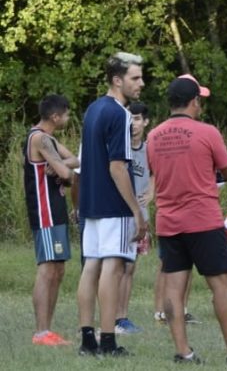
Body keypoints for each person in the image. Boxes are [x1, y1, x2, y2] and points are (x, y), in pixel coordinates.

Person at [149, 74, 227, 365]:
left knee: (174, 289)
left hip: (168, 222)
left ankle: (183, 351)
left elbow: (156, 174)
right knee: (220, 286)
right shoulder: (208, 132)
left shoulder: (153, 136)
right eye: (199, 101)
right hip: (203, 221)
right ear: (194, 102)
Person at [76, 51, 148, 357]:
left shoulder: (93, 109)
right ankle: (108, 341)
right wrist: (136, 211)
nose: (141, 83)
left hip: (91, 204)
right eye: (135, 78)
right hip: (113, 204)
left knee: (91, 266)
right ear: (117, 80)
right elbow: (118, 167)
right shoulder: (120, 113)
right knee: (113, 268)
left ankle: (87, 340)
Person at [26, 95, 79, 346]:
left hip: (56, 209)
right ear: (55, 117)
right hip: (44, 210)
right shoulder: (39, 138)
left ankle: (48, 330)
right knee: (47, 269)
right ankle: (41, 332)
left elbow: (75, 161)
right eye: (67, 115)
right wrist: (60, 165)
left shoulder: (51, 139)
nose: (68, 119)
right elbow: (68, 174)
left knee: (58, 270)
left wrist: (60, 163)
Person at [114, 102, 152, 335]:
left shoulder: (151, 148)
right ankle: (115, 317)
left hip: (141, 218)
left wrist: (153, 191)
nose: (133, 123)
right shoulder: (120, 147)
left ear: (146, 121)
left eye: (137, 118)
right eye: (129, 118)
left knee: (130, 268)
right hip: (120, 215)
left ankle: (122, 317)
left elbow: (158, 171)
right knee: (118, 267)